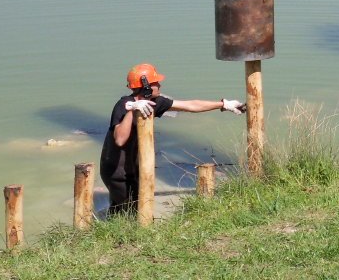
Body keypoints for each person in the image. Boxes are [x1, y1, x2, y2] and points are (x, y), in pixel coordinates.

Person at [100, 62, 246, 215]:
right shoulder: (123, 105)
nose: (160, 85)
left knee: (128, 208)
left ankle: (116, 223)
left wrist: (224, 104)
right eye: (156, 82)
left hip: (134, 167)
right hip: (116, 171)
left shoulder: (155, 102)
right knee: (131, 210)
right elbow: (119, 139)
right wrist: (132, 111)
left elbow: (190, 105)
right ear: (146, 87)